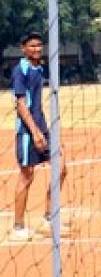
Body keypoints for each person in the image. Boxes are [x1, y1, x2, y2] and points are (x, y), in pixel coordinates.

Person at [10, 32, 69, 242]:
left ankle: (49, 217)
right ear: (23, 48)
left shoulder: (39, 68)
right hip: (27, 131)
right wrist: (35, 132)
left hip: (42, 127)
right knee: (27, 176)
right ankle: (18, 226)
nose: (36, 49)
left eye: (39, 45)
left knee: (61, 166)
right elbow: (21, 105)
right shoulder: (20, 70)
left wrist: (48, 131)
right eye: (32, 46)